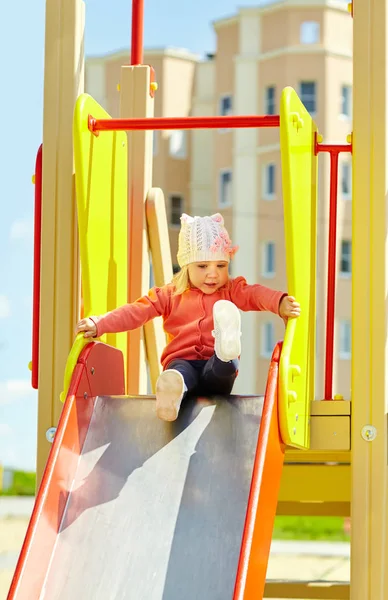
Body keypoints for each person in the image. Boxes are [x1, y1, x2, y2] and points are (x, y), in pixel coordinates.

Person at [76, 213, 300, 421]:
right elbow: (136, 312)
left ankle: (226, 347)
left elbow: (255, 294)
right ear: (186, 267)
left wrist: (279, 303)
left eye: (221, 265)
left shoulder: (231, 290)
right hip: (182, 360)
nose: (213, 273)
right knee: (180, 374)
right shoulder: (170, 295)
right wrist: (100, 323)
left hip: (216, 366)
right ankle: (172, 391)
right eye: (202, 266)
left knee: (225, 367)